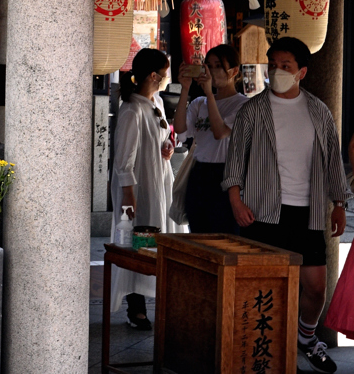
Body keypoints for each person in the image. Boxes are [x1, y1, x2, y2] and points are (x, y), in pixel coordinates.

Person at [223, 36, 350, 374]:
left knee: (316, 288)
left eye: (286, 67)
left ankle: (306, 338)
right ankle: (266, 354)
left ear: (302, 72)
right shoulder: (253, 110)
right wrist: (236, 201)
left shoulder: (318, 111)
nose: (278, 72)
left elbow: (333, 161)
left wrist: (340, 202)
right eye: (274, 65)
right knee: (265, 289)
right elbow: (234, 160)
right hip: (264, 212)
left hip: (307, 213)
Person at [110, 48, 186, 330]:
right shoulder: (131, 110)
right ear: (153, 75)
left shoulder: (156, 104)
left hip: (159, 183)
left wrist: (167, 146)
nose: (167, 79)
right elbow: (123, 159)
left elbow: (163, 137)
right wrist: (129, 197)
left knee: (157, 241)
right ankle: (136, 306)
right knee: (137, 244)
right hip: (140, 189)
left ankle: (154, 299)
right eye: (165, 74)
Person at [172, 44, 248, 233]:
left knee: (223, 233)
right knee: (198, 232)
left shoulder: (243, 105)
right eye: (208, 65)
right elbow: (181, 131)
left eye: (218, 66)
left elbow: (220, 132)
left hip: (226, 174)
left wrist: (209, 95)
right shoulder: (199, 103)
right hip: (199, 172)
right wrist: (185, 89)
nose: (212, 71)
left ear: (234, 71)